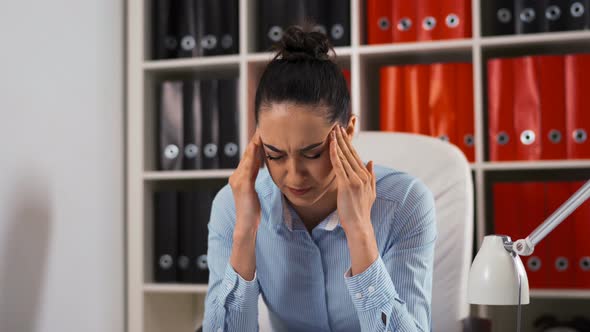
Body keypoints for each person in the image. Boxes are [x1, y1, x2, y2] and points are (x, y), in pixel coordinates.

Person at [202, 26, 437, 332]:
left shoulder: (405, 203)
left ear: (349, 133)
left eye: (312, 154)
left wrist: (360, 232)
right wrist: (244, 232)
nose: (293, 175)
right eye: (275, 155)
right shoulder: (233, 206)